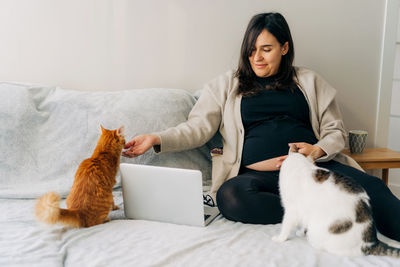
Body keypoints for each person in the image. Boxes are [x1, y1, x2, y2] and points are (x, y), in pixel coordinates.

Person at [123, 12, 400, 241]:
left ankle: (337, 208)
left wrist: (316, 150)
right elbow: (196, 127)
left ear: (284, 48)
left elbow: (335, 132)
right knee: (231, 197)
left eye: (266, 49)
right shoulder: (226, 85)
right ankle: (320, 212)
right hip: (260, 178)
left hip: (313, 171)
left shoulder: (309, 81)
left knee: (373, 188)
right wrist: (156, 138)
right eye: (252, 50)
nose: (257, 57)